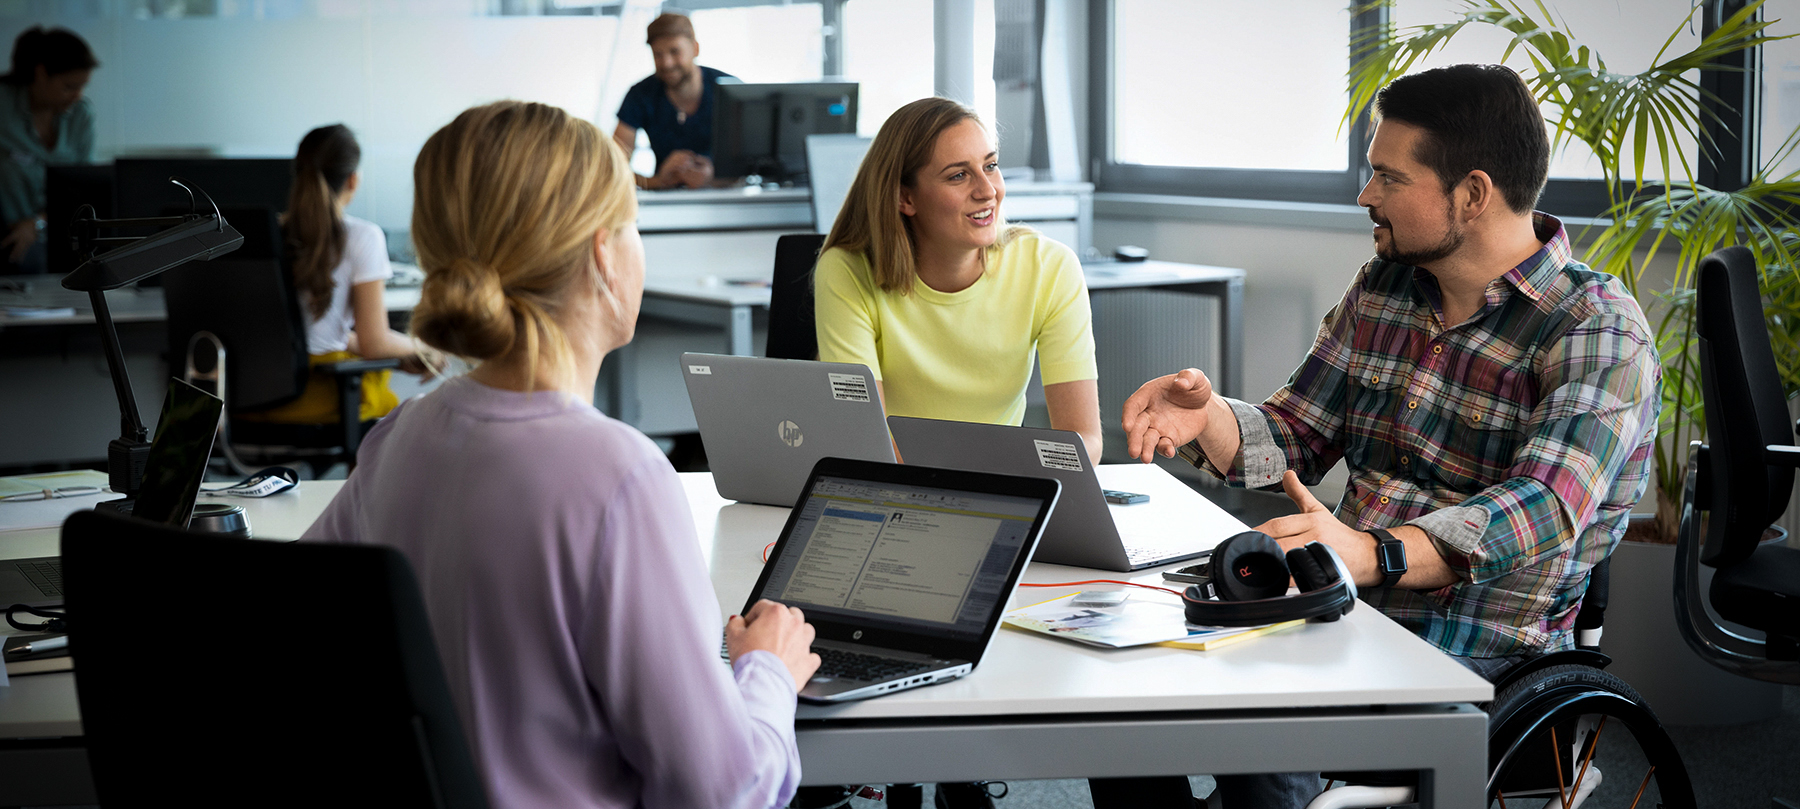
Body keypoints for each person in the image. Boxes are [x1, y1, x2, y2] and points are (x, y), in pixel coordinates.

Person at [1103, 64, 1660, 809]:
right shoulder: (1385, 288)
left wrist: (1376, 552)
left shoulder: (1596, 328)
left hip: (1481, 655)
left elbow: (1542, 511)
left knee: (1265, 735)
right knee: (1119, 677)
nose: (1365, 195)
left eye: (1387, 177)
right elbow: (1294, 435)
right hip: (1341, 613)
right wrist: (1207, 416)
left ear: (1472, 193)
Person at [300, 100, 819, 809]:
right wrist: (767, 670)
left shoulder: (397, 440)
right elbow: (723, 790)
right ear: (605, 253)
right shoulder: (619, 478)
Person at [814, 96, 1102, 463]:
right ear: (906, 198)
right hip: (896, 491)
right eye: (958, 175)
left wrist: (1027, 476)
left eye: (991, 166)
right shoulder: (847, 270)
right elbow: (867, 442)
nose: (988, 190)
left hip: (1001, 490)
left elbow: (1085, 439)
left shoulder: (1050, 267)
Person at [239, 124, 431, 427]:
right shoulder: (362, 237)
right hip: (318, 399)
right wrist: (423, 349)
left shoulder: (263, 233)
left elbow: (313, 334)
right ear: (353, 180)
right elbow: (375, 344)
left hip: (251, 401)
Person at [0, 26, 96, 274]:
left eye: (82, 87)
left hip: (61, 236)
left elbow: (85, 187)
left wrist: (37, 223)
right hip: (7, 237)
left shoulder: (81, 116)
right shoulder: (4, 106)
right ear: (41, 74)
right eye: (69, 86)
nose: (77, 96)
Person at [611, 12, 734, 190]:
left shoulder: (729, 90)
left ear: (695, 48)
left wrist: (712, 179)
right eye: (657, 54)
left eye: (675, 51)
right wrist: (659, 180)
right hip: (667, 200)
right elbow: (614, 168)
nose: (666, 63)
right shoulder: (640, 95)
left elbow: (757, 169)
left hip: (729, 201)